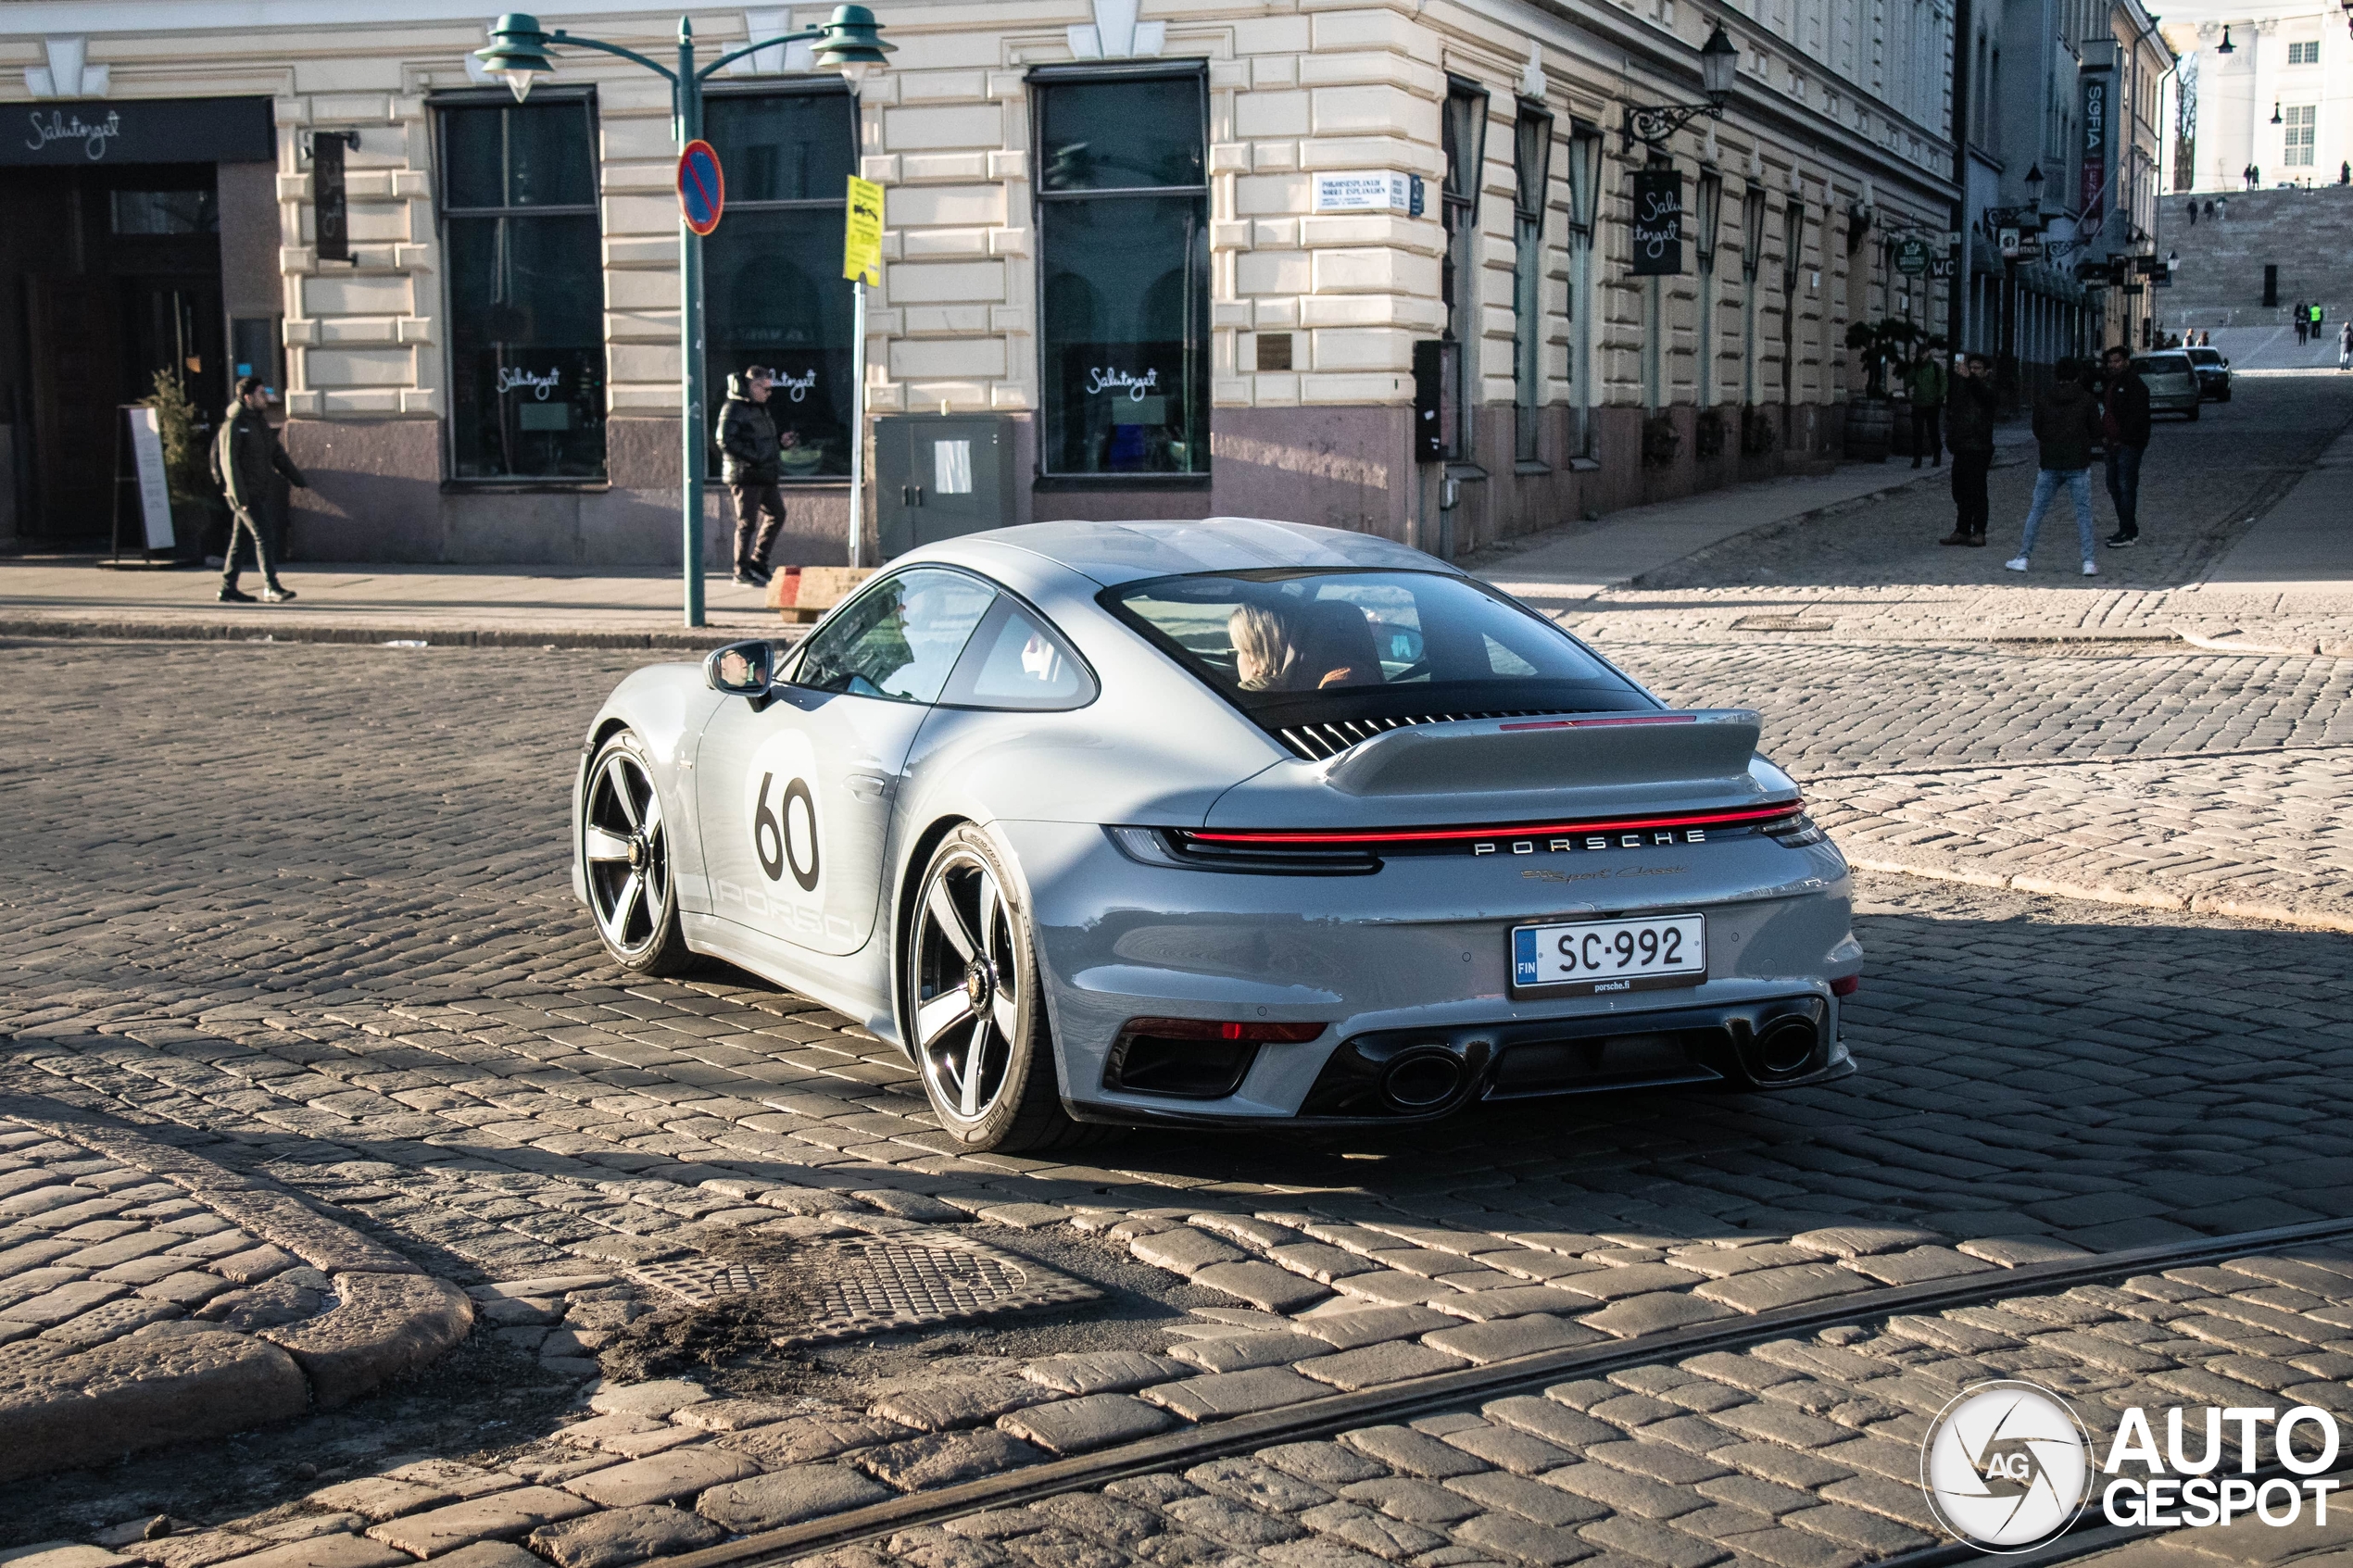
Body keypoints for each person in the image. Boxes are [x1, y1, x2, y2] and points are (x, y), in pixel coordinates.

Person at [211, 375, 309, 605]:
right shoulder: (234, 424)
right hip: (244, 494)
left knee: (241, 541)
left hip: (255, 490)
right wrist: (239, 496)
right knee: (264, 535)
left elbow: (276, 454)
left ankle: (227, 588)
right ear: (248, 398)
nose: (266, 398)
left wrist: (297, 478)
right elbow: (229, 462)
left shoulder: (258, 422)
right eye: (261, 394)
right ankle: (271, 587)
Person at [2006, 358, 2104, 577]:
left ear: (2056, 376)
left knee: (2037, 511)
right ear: (2078, 376)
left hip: (2049, 461)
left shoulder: (2044, 399)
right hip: (2078, 462)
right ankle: (2088, 561)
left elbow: (2037, 429)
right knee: (2083, 513)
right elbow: (2097, 430)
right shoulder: (2087, 399)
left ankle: (2023, 557)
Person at [715, 366, 788, 587]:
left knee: (777, 514)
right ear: (753, 386)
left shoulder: (758, 408)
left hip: (763, 473)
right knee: (746, 523)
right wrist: (754, 457)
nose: (768, 393)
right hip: (745, 475)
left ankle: (758, 562)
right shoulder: (734, 407)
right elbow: (725, 440)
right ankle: (741, 570)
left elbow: (760, 438)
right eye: (765, 389)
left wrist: (779, 441)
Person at [1938, 352, 1998, 546]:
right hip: (1962, 444)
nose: (1972, 371)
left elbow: (1986, 396)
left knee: (1977, 490)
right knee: (1960, 489)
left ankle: (1979, 530)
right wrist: (1951, 437)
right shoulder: (1963, 385)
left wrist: (1970, 379)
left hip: (1979, 445)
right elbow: (1955, 412)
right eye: (1970, 368)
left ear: (1986, 371)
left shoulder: (1987, 386)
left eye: (1977, 368)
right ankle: (1962, 529)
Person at [2098, 345, 2150, 548]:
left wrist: (2123, 438)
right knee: (2114, 486)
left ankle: (2129, 531)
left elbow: (2137, 418)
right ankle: (2126, 528)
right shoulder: (2111, 382)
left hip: (2128, 444)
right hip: (2112, 443)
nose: (2113, 365)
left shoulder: (2134, 385)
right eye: (2111, 361)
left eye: (2117, 361)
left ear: (2126, 361)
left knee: (2125, 486)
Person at [1906, 344, 1946, 469]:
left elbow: (1944, 383)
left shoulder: (1935, 367)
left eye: (1923, 352)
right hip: (1918, 403)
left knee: (1933, 431)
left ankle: (1937, 455)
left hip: (1932, 404)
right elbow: (1908, 382)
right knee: (1917, 433)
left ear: (1928, 353)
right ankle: (1917, 459)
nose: (1921, 355)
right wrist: (1912, 369)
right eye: (1919, 353)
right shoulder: (1916, 367)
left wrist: (1940, 398)